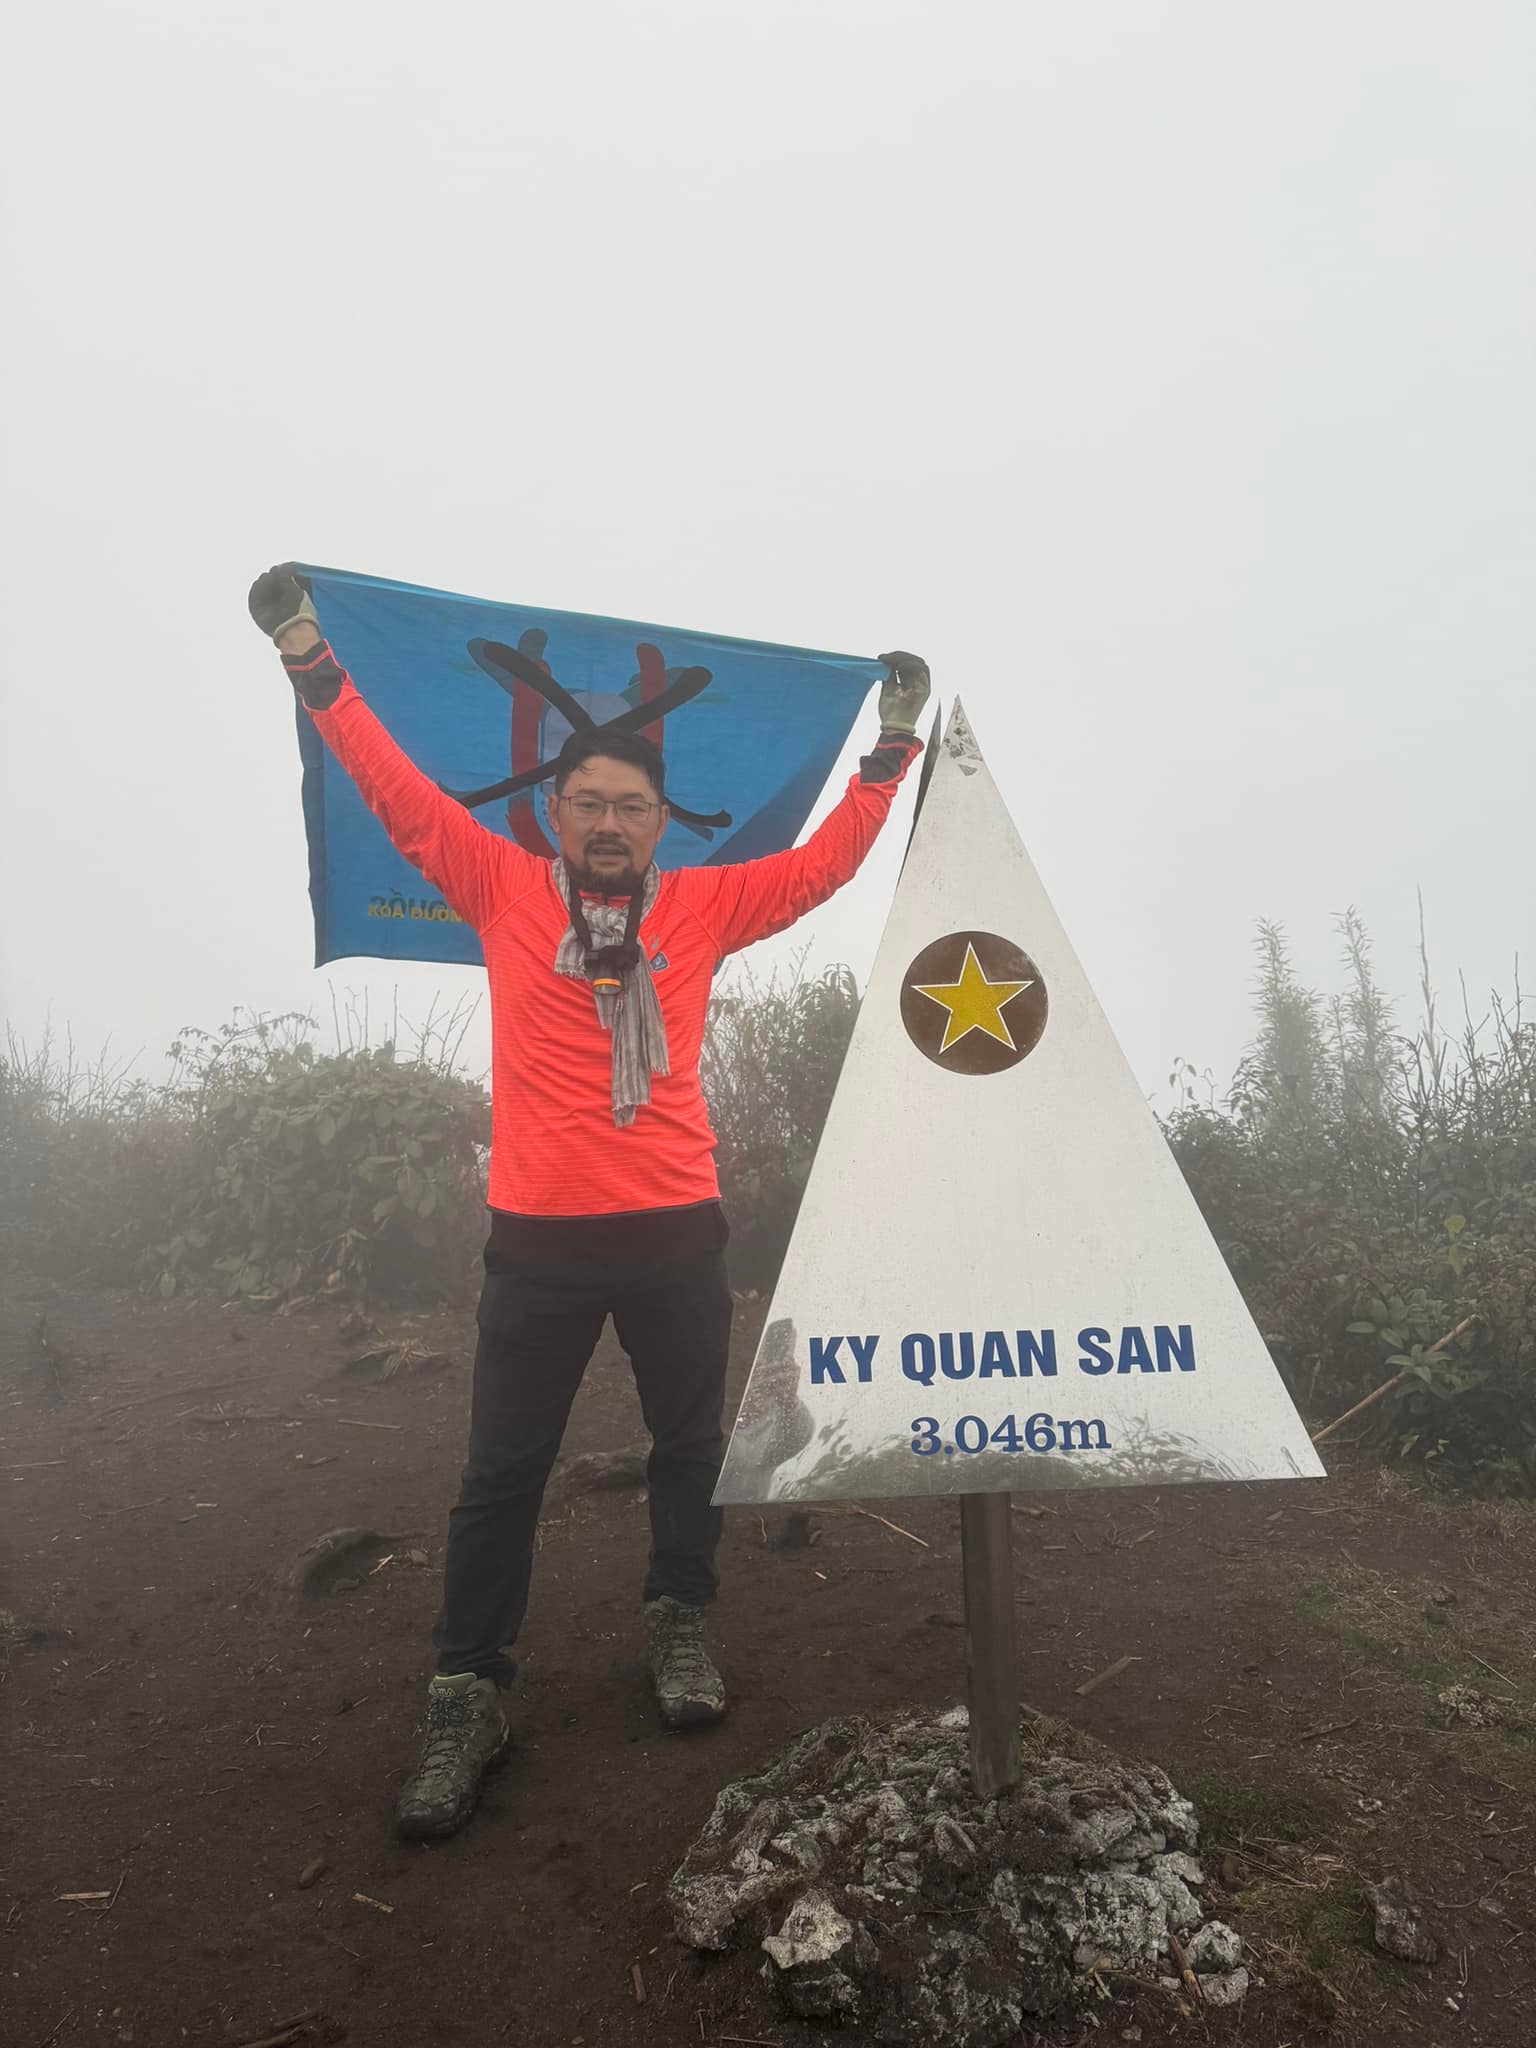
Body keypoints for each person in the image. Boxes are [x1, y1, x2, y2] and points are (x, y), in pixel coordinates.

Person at [247, 565, 930, 1841]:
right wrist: (310, 660)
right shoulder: (499, 884)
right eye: (590, 802)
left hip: (677, 1232)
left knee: (687, 1450)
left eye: (631, 804)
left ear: (662, 823)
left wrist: (888, 752)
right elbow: (394, 790)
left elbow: (828, 864)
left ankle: (678, 1623)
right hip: (538, 1245)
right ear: (555, 815)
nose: (610, 820)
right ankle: (467, 1689)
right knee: (499, 1474)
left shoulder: (708, 905)